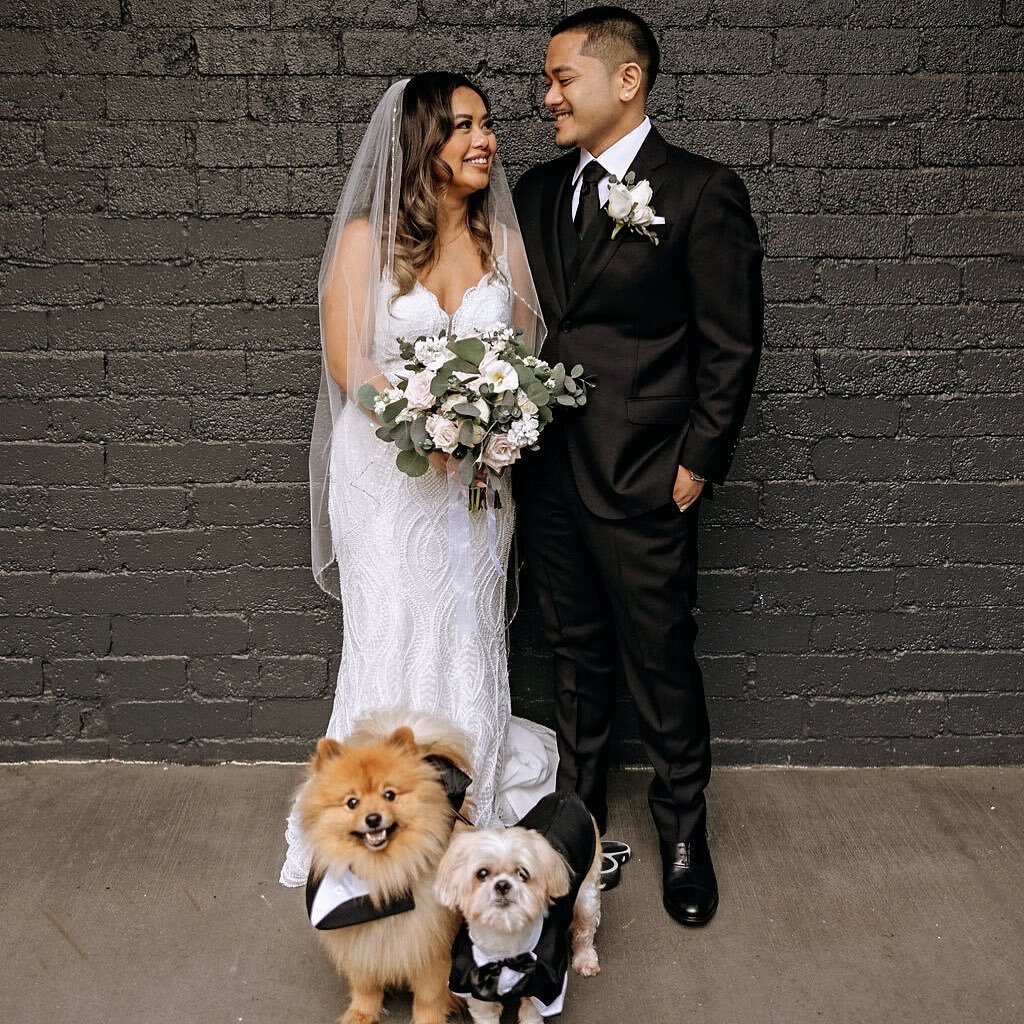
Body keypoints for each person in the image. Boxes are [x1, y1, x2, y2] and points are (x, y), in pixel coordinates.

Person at [513, 6, 764, 926]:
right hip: (546, 478)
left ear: (626, 81)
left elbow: (731, 344)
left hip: (650, 475)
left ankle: (684, 831)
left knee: (659, 659)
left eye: (561, 77)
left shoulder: (698, 191)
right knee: (574, 657)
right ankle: (575, 832)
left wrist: (698, 463)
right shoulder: (535, 191)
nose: (546, 96)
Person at [281, 74, 556, 887]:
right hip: (388, 479)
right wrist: (415, 420)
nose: (485, 140)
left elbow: (522, 358)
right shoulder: (369, 237)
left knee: (466, 628)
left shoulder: (501, 244)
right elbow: (347, 358)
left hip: (474, 485)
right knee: (395, 628)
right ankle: (377, 816)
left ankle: (464, 816)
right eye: (462, 126)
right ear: (422, 144)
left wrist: (494, 419)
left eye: (488, 124)